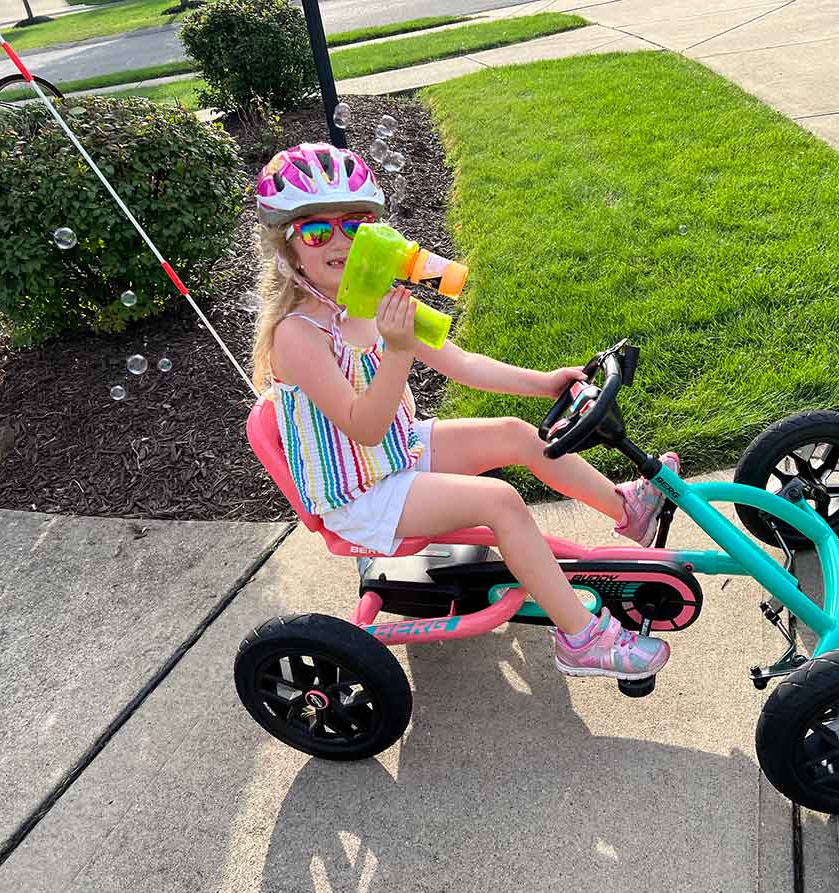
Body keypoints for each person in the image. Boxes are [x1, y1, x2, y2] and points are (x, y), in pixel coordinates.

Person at [250, 143, 679, 681]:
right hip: (358, 494)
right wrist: (397, 350)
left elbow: (462, 363)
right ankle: (581, 639)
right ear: (288, 247)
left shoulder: (377, 298)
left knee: (516, 434)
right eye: (317, 231)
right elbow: (364, 425)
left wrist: (544, 383)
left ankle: (628, 511)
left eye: (355, 225)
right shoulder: (297, 335)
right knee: (500, 501)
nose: (340, 241)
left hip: (397, 452)